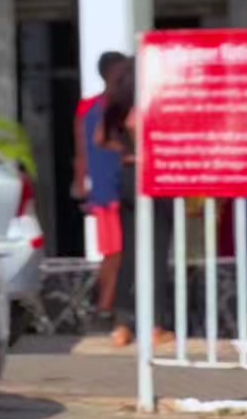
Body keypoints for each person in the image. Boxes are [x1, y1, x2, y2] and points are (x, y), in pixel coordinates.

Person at [101, 59, 173, 352]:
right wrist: (143, 152)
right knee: (157, 252)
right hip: (151, 176)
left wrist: (127, 153)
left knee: (130, 253)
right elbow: (135, 123)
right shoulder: (147, 99)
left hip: (128, 178)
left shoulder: (117, 103)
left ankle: (122, 325)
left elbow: (101, 138)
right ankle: (155, 325)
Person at [72, 52, 126, 321]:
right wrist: (81, 183)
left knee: (114, 251)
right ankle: (104, 307)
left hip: (113, 186)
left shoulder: (91, 107)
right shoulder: (100, 107)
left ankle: (106, 304)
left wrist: (81, 182)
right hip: (109, 188)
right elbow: (83, 150)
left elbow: (81, 151)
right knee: (115, 252)